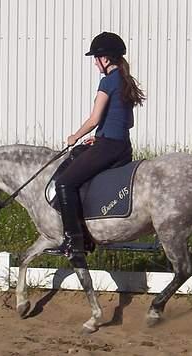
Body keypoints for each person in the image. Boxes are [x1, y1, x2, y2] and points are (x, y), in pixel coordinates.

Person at [55, 31, 146, 256]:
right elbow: (129, 122)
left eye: (96, 59)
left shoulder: (107, 81)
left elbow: (94, 119)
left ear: (105, 59)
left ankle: (75, 241)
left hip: (108, 148)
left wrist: (75, 136)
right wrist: (102, 134)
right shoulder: (125, 80)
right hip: (123, 147)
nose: (95, 63)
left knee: (65, 183)